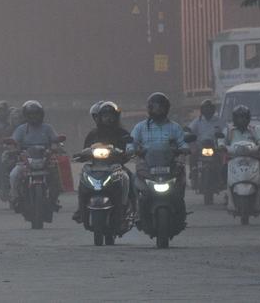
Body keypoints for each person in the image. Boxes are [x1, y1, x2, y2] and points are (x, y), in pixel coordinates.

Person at [130, 92, 189, 222]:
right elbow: (131, 142)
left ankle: (180, 212)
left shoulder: (175, 127)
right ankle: (138, 211)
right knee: (133, 180)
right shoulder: (140, 127)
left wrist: (185, 148)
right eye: (155, 107)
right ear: (149, 109)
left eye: (161, 107)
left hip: (170, 164)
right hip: (146, 164)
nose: (158, 110)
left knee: (180, 182)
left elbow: (182, 142)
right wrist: (131, 149)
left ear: (167, 108)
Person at [74, 101, 132, 223]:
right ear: (99, 117)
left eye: (111, 115)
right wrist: (81, 155)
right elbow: (85, 149)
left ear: (116, 117)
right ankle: (81, 209)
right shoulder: (93, 134)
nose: (108, 118)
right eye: (105, 116)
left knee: (130, 178)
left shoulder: (123, 133)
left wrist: (127, 153)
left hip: (116, 166)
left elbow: (129, 148)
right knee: (83, 177)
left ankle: (134, 210)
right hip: (95, 167)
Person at [8, 100, 62, 209]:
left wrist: (55, 147)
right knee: (14, 175)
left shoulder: (48, 128)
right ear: (26, 116)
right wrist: (13, 148)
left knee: (56, 175)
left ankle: (54, 198)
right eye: (31, 114)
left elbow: (55, 140)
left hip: (45, 160)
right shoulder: (21, 129)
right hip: (26, 160)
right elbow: (14, 142)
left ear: (41, 114)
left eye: (36, 114)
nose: (34, 117)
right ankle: (15, 197)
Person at [188, 99, 223, 185]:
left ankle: (221, 178)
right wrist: (188, 135)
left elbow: (225, 131)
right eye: (205, 108)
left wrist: (222, 136)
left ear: (213, 109)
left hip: (215, 147)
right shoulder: (197, 121)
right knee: (192, 156)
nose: (208, 110)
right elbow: (190, 130)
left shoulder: (218, 121)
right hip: (200, 147)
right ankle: (193, 175)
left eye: (209, 108)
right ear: (202, 110)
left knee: (222, 159)